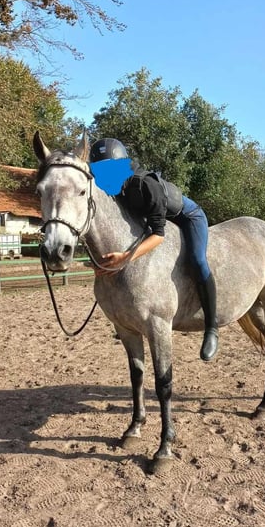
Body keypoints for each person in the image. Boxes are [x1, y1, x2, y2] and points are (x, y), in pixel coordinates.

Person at [89, 138, 219, 362]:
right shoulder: (113, 188)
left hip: (187, 217)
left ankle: (211, 328)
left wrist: (126, 257)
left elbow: (159, 234)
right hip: (156, 218)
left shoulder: (146, 185)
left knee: (198, 260)